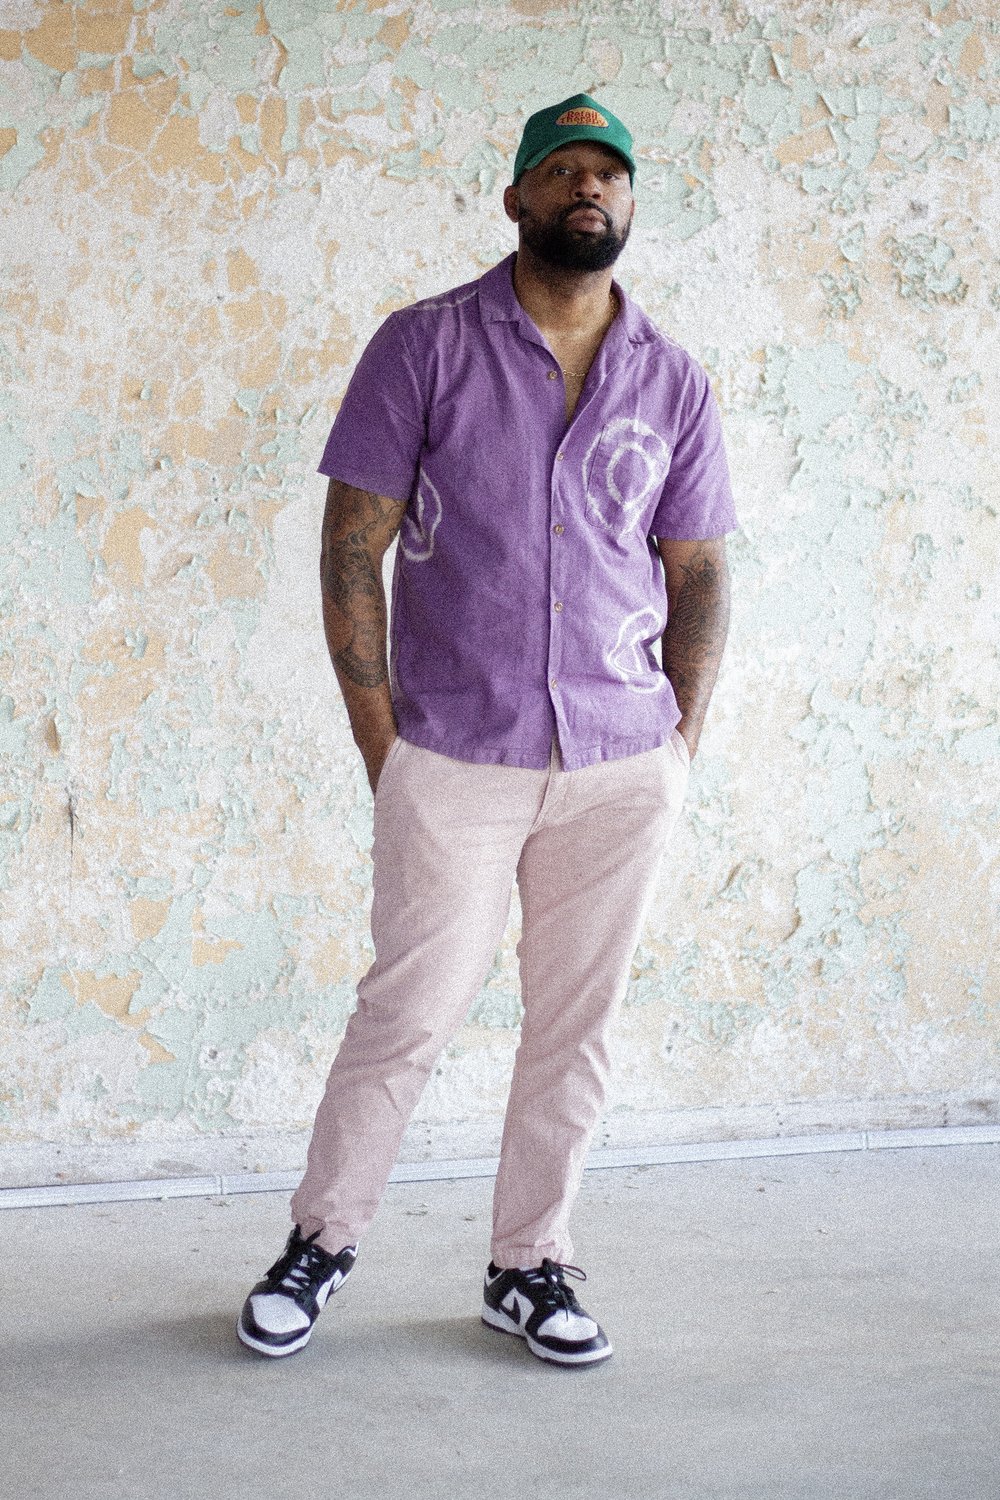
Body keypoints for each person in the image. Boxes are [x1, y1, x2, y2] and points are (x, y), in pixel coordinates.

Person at [238, 93, 736, 1368]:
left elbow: (699, 572)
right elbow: (351, 547)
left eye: (611, 174)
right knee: (406, 1010)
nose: (591, 188)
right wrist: (380, 743)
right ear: (514, 197)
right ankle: (324, 1239)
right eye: (563, 170)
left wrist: (677, 742)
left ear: (631, 206)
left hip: (620, 763)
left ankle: (532, 1264)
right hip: (453, 752)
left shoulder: (670, 379)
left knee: (577, 1023)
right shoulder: (424, 346)